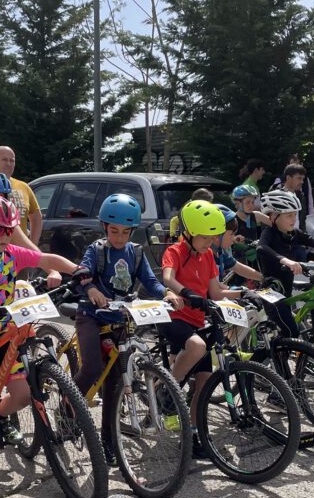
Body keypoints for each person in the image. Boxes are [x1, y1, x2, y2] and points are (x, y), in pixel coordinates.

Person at [0, 196, 82, 448]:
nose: (5, 236)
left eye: (9, 230)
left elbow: (47, 259)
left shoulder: (11, 254)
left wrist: (77, 270)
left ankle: (0, 416)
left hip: (3, 335)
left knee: (22, 396)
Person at [73, 194, 183, 465]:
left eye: (125, 232)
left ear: (132, 231)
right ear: (104, 228)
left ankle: (108, 439)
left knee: (116, 382)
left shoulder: (135, 252)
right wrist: (92, 289)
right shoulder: (97, 250)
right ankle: (68, 405)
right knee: (93, 367)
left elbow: (150, 282)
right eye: (114, 231)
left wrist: (166, 294)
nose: (119, 237)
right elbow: (81, 273)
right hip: (91, 316)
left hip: (121, 318)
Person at [160, 200, 256, 457]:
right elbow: (168, 278)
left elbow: (215, 292)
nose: (209, 242)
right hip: (175, 316)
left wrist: (246, 292)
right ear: (189, 232)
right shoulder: (175, 251)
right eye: (204, 237)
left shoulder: (209, 256)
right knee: (197, 346)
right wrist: (186, 292)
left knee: (204, 381)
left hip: (199, 318)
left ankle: (193, 434)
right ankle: (168, 389)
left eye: (212, 237)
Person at [255, 190, 314, 337]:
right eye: (289, 215)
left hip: (286, 291)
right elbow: (261, 248)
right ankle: (271, 355)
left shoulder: (294, 233)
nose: (293, 219)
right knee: (291, 331)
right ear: (273, 216)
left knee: (291, 331)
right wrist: (285, 260)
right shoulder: (270, 233)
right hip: (271, 292)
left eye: (295, 215)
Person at [213, 205, 264, 285]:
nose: (233, 238)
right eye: (231, 234)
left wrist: (263, 278)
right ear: (218, 234)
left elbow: (238, 268)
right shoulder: (207, 255)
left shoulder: (220, 252)